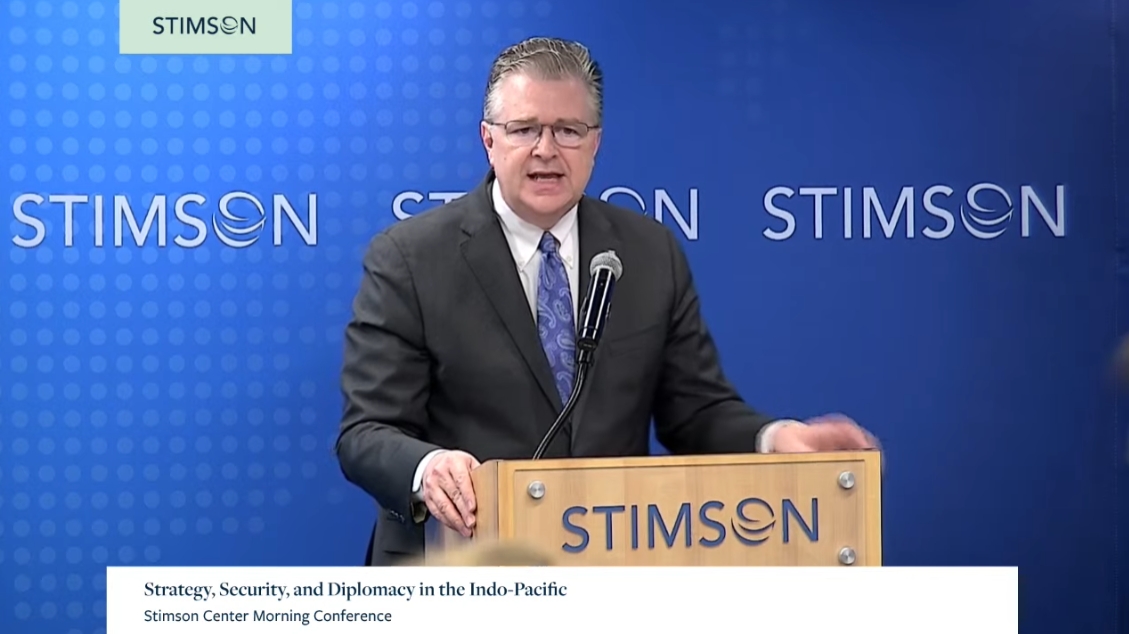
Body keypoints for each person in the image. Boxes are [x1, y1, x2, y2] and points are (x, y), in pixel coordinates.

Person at [336, 36, 879, 566]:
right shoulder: (411, 258)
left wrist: (776, 439)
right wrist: (428, 468)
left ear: (595, 143)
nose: (546, 150)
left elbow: (695, 412)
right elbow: (367, 433)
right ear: (489, 139)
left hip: (608, 563)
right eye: (524, 129)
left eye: (568, 130)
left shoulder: (648, 252)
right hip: (458, 564)